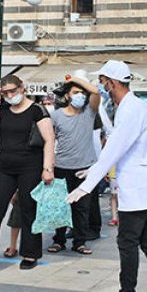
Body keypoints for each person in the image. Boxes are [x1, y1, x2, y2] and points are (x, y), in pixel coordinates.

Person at [67, 60, 147, 292]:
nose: (102, 86)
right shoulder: (134, 106)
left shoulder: (130, 109)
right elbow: (116, 142)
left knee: (127, 241)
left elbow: (116, 147)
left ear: (112, 82)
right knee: (146, 238)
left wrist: (87, 185)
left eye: (103, 82)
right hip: (145, 184)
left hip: (138, 187)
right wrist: (93, 169)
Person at [0, 74, 54, 271]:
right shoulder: (3, 109)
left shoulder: (37, 110)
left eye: (12, 91)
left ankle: (30, 254)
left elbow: (49, 140)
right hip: (5, 165)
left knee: (28, 209)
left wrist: (47, 168)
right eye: (5, 92)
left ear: (22, 88)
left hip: (30, 166)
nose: (10, 95)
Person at [47, 73, 100, 255]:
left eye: (83, 94)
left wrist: (74, 80)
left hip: (85, 168)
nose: (81, 96)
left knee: (82, 209)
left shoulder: (89, 113)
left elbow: (95, 92)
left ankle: (80, 242)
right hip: (61, 166)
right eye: (76, 92)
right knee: (60, 207)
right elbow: (49, 141)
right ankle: (59, 240)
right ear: (68, 95)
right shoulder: (56, 116)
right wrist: (48, 166)